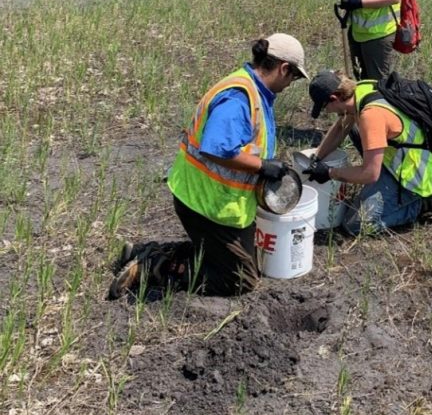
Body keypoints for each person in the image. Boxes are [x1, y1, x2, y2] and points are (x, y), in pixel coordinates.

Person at [109, 33, 309, 299]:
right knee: (240, 281)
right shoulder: (240, 98)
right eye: (293, 77)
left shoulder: (253, 89)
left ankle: (149, 252)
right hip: (204, 203)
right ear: (284, 68)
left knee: (248, 261)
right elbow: (216, 148)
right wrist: (262, 166)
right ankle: (155, 266)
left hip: (223, 203)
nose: (290, 84)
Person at [303, 70, 432, 236]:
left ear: (334, 98)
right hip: (397, 159)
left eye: (325, 107)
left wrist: (330, 173)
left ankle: (422, 204)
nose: (327, 111)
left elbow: (370, 174)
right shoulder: (361, 89)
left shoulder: (370, 115)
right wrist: (317, 157)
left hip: (412, 175)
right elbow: (341, 126)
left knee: (355, 226)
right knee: (351, 126)